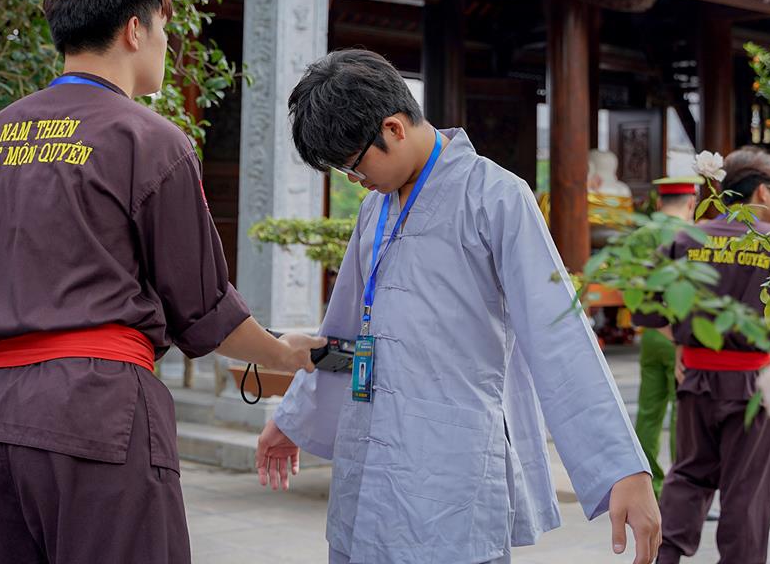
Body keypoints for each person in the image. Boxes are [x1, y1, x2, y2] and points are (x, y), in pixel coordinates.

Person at [0, 0, 322, 563]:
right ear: (135, 30)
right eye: (164, 29)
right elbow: (201, 308)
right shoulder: (150, 140)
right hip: (98, 412)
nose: (166, 45)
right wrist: (282, 354)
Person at [254, 50, 662, 564]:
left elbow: (558, 333)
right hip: (368, 456)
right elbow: (344, 329)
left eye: (355, 165)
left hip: (450, 470)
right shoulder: (374, 209)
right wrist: (294, 416)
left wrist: (623, 467)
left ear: (393, 128)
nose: (355, 180)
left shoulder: (497, 197)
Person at [637, 147, 770, 564]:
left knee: (689, 475)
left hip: (696, 378)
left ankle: (663, 557)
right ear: (762, 191)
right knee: (747, 490)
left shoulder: (688, 236)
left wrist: (682, 342)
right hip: (751, 385)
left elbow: (646, 305)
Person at [633, 176, 702, 497]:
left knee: (648, 412)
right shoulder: (693, 237)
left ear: (659, 202)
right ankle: (680, 489)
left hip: (650, 333)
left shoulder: (640, 235)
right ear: (692, 203)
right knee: (681, 414)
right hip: (681, 330)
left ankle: (650, 487)